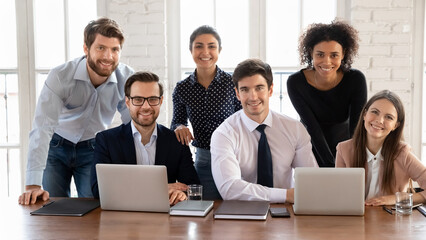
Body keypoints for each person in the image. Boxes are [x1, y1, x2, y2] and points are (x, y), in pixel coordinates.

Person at [18, 17, 134, 205]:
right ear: (86, 49)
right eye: (101, 48)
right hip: (56, 148)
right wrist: (32, 185)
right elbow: (42, 128)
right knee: (51, 208)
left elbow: (134, 126)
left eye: (115, 49)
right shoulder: (61, 76)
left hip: (93, 148)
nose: (108, 56)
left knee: (94, 208)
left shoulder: (127, 78)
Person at [211, 58, 318, 203]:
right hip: (243, 213)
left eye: (259, 88)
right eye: (245, 89)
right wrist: (287, 195)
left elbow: (311, 179)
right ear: (237, 94)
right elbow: (229, 189)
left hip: (286, 212)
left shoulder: (295, 129)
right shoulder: (224, 134)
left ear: (270, 89)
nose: (253, 97)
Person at [91, 71, 200, 205]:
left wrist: (182, 194)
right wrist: (158, 189)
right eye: (138, 100)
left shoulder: (176, 140)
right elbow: (98, 190)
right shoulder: (106, 140)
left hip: (165, 216)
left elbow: (192, 185)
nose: (146, 106)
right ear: (127, 102)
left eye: (152, 99)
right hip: (122, 216)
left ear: (161, 101)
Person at [170, 25, 242, 200]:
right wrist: (179, 127)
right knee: (206, 214)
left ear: (219, 50)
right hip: (204, 160)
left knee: (236, 214)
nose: (205, 52)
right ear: (191, 50)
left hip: (234, 157)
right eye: (199, 46)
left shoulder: (233, 83)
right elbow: (177, 121)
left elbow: (244, 120)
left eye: (211, 46)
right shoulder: (183, 88)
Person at [287, 20, 367, 167]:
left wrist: (351, 160)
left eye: (334, 55)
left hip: (346, 145)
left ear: (343, 54)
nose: (327, 61)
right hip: (310, 147)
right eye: (320, 54)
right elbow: (312, 127)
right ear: (311, 53)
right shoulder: (296, 83)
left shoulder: (356, 80)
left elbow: (357, 128)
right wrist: (331, 164)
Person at [336, 90, 426, 205]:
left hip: (391, 220)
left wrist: (396, 198)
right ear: (364, 114)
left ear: (395, 125)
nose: (379, 120)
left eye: (389, 117)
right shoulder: (344, 150)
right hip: (354, 220)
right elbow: (338, 193)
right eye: (375, 112)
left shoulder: (402, 154)